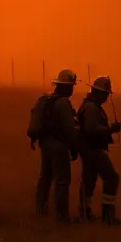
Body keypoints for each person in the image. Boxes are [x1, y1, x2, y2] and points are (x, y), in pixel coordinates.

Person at [32, 69, 80, 223]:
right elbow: (69, 129)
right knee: (62, 181)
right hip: (59, 146)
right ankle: (62, 216)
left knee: (45, 177)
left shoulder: (46, 100)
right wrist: (74, 148)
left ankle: (40, 210)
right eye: (71, 86)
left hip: (45, 144)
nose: (72, 89)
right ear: (65, 86)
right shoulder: (63, 103)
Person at [77, 75, 121, 225]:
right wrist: (110, 129)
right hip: (94, 149)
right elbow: (91, 129)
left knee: (89, 180)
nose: (106, 97)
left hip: (88, 148)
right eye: (105, 94)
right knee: (111, 177)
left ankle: (85, 213)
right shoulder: (91, 107)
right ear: (97, 92)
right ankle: (108, 215)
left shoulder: (90, 105)